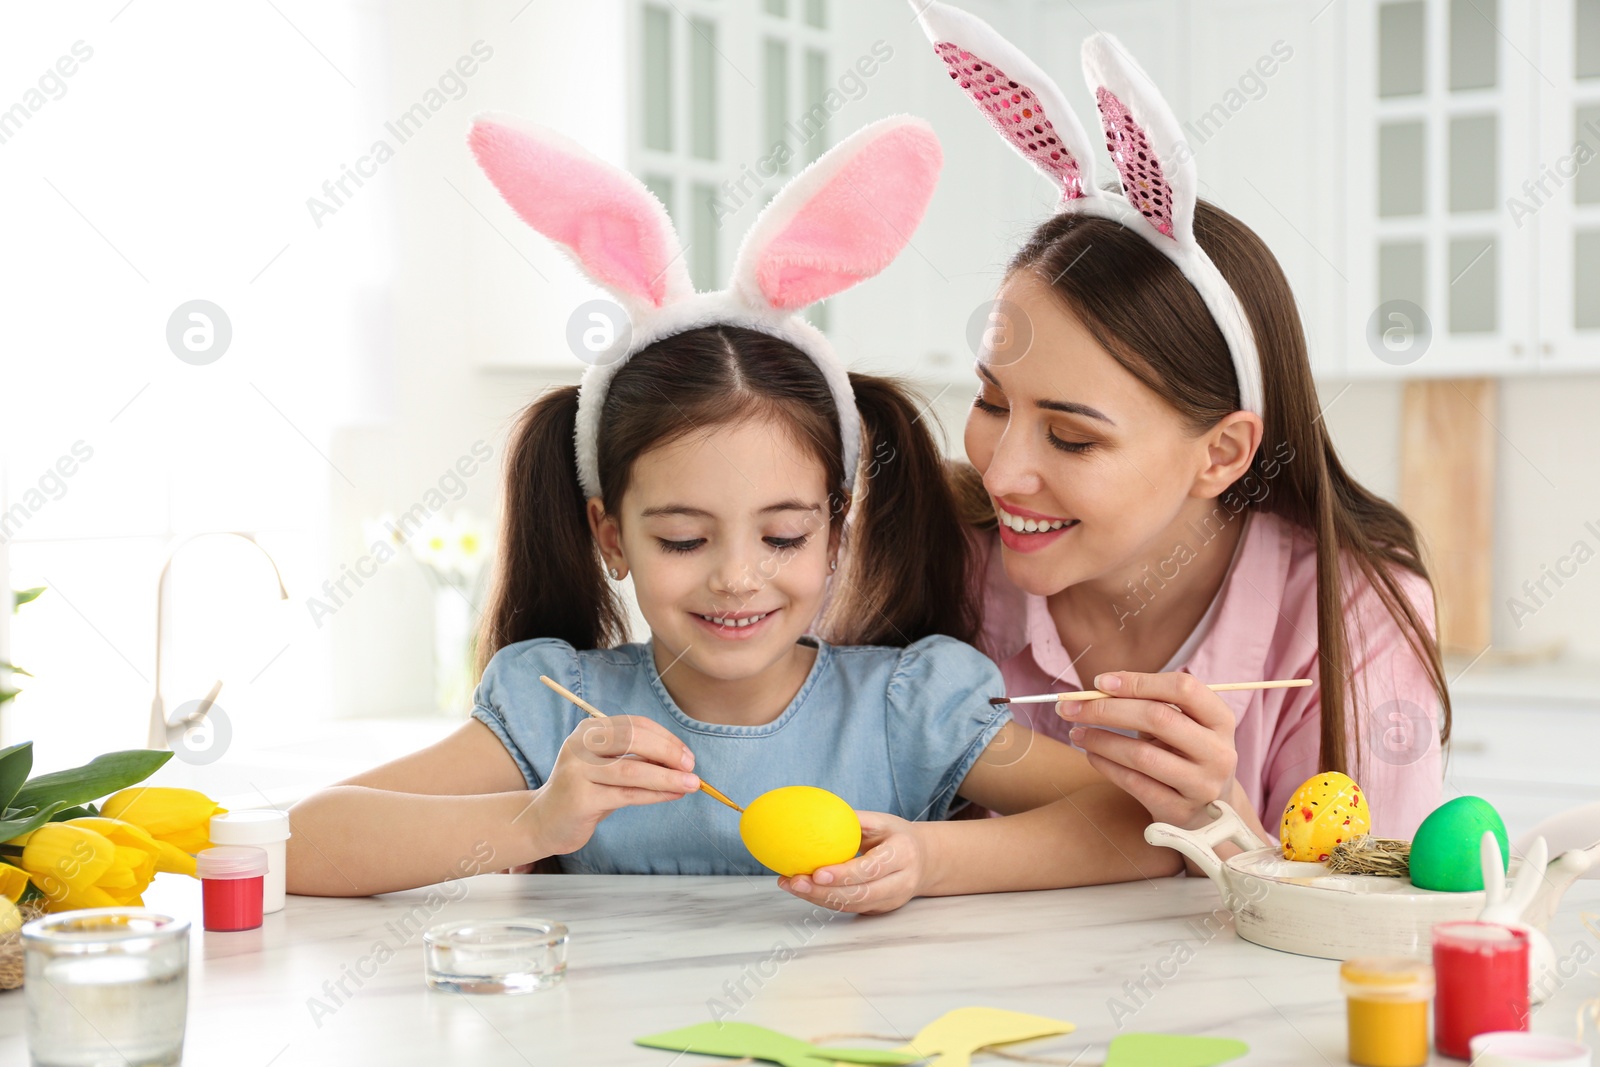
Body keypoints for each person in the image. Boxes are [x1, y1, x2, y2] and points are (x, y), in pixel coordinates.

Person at [286, 114, 1176, 912]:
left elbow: (1144, 832)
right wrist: (533, 819)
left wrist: (934, 855)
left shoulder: (907, 707)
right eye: (682, 537)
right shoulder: (562, 713)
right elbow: (298, 845)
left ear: (836, 527)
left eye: (784, 534)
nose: (737, 575)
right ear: (612, 536)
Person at [913, 3, 1448, 845]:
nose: (1001, 470)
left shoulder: (1350, 615)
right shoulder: (948, 565)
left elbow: (1370, 922)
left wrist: (1221, 819)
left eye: (1073, 437)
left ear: (1222, 453)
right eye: (991, 402)